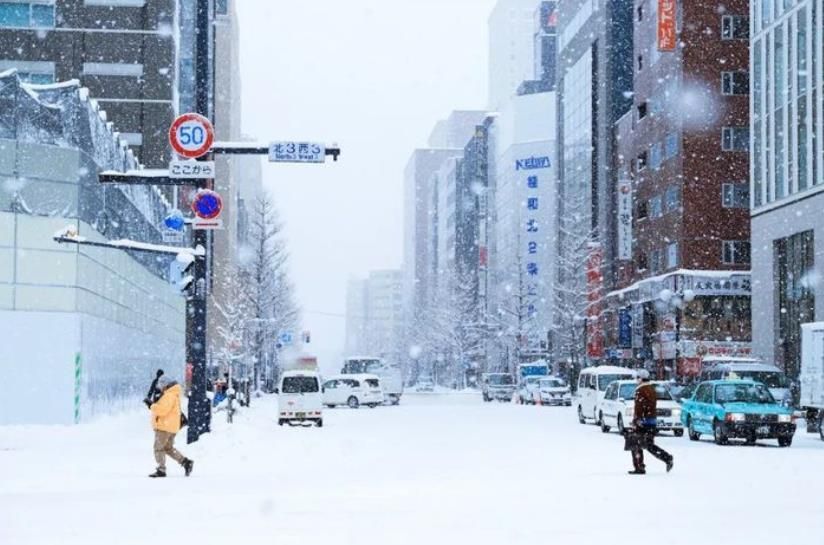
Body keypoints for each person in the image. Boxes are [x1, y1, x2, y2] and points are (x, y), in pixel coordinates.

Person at [627, 370, 674, 475]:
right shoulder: (651, 389)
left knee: (636, 443)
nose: (636, 380)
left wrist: (637, 420)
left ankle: (639, 467)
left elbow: (639, 407)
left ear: (640, 378)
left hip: (642, 422)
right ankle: (666, 458)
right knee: (648, 445)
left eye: (637, 378)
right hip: (651, 421)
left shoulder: (641, 390)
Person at [149, 377, 194, 478]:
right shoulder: (174, 394)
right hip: (171, 427)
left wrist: (151, 405)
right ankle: (185, 462)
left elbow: (162, 410)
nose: (160, 387)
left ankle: (161, 469)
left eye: (162, 384)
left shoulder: (169, 395)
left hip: (164, 426)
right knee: (168, 448)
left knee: (158, 448)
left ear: (166, 385)